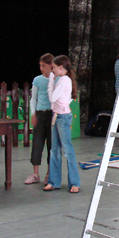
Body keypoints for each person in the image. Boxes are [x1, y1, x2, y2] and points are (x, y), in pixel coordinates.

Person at [43, 55, 80, 193]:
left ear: (60, 67)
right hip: (56, 116)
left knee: (67, 150)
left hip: (63, 118)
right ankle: (53, 181)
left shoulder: (64, 80)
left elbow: (52, 97)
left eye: (53, 68)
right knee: (54, 150)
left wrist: (51, 82)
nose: (52, 70)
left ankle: (74, 183)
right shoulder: (62, 80)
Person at [24, 53, 53, 185]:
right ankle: (35, 174)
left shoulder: (56, 79)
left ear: (50, 65)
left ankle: (49, 173)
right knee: (37, 143)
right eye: (40, 65)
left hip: (52, 115)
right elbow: (33, 99)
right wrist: (33, 114)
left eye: (43, 65)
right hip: (40, 115)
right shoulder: (37, 80)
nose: (41, 68)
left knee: (51, 145)